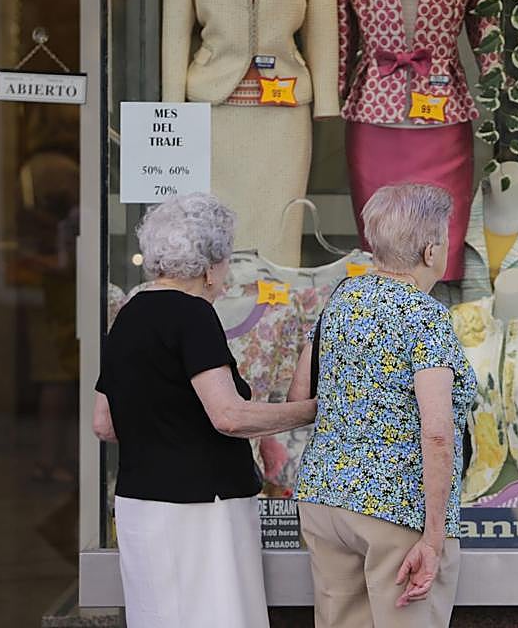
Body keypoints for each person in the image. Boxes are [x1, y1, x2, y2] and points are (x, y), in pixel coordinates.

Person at [92, 193, 317, 628]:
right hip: (202, 508)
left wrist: (161, 426)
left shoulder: (129, 314)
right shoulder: (193, 314)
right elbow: (229, 415)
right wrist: (309, 411)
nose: (227, 274)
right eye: (227, 260)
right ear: (210, 264)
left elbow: (104, 422)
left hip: (140, 504)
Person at [291, 183, 477, 628]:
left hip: (325, 496)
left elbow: (302, 396)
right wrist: (433, 540)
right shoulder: (426, 316)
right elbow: (436, 431)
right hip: (396, 507)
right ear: (431, 251)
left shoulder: (342, 299)